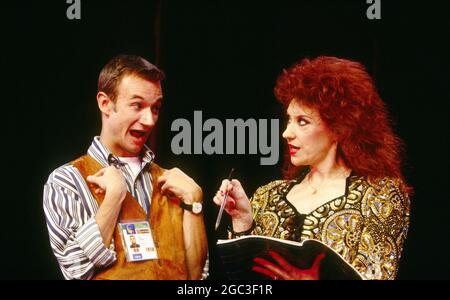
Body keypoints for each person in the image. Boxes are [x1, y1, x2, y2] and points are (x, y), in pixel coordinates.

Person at [214, 56, 411, 280]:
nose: (287, 133)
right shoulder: (268, 196)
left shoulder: (379, 196)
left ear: (339, 128)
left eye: (303, 122)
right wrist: (242, 220)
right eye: (289, 120)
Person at [43, 55, 207, 280]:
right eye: (137, 105)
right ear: (105, 103)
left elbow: (197, 278)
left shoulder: (173, 183)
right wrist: (114, 196)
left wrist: (194, 203)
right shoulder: (68, 180)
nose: (149, 120)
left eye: (156, 108)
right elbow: (77, 270)